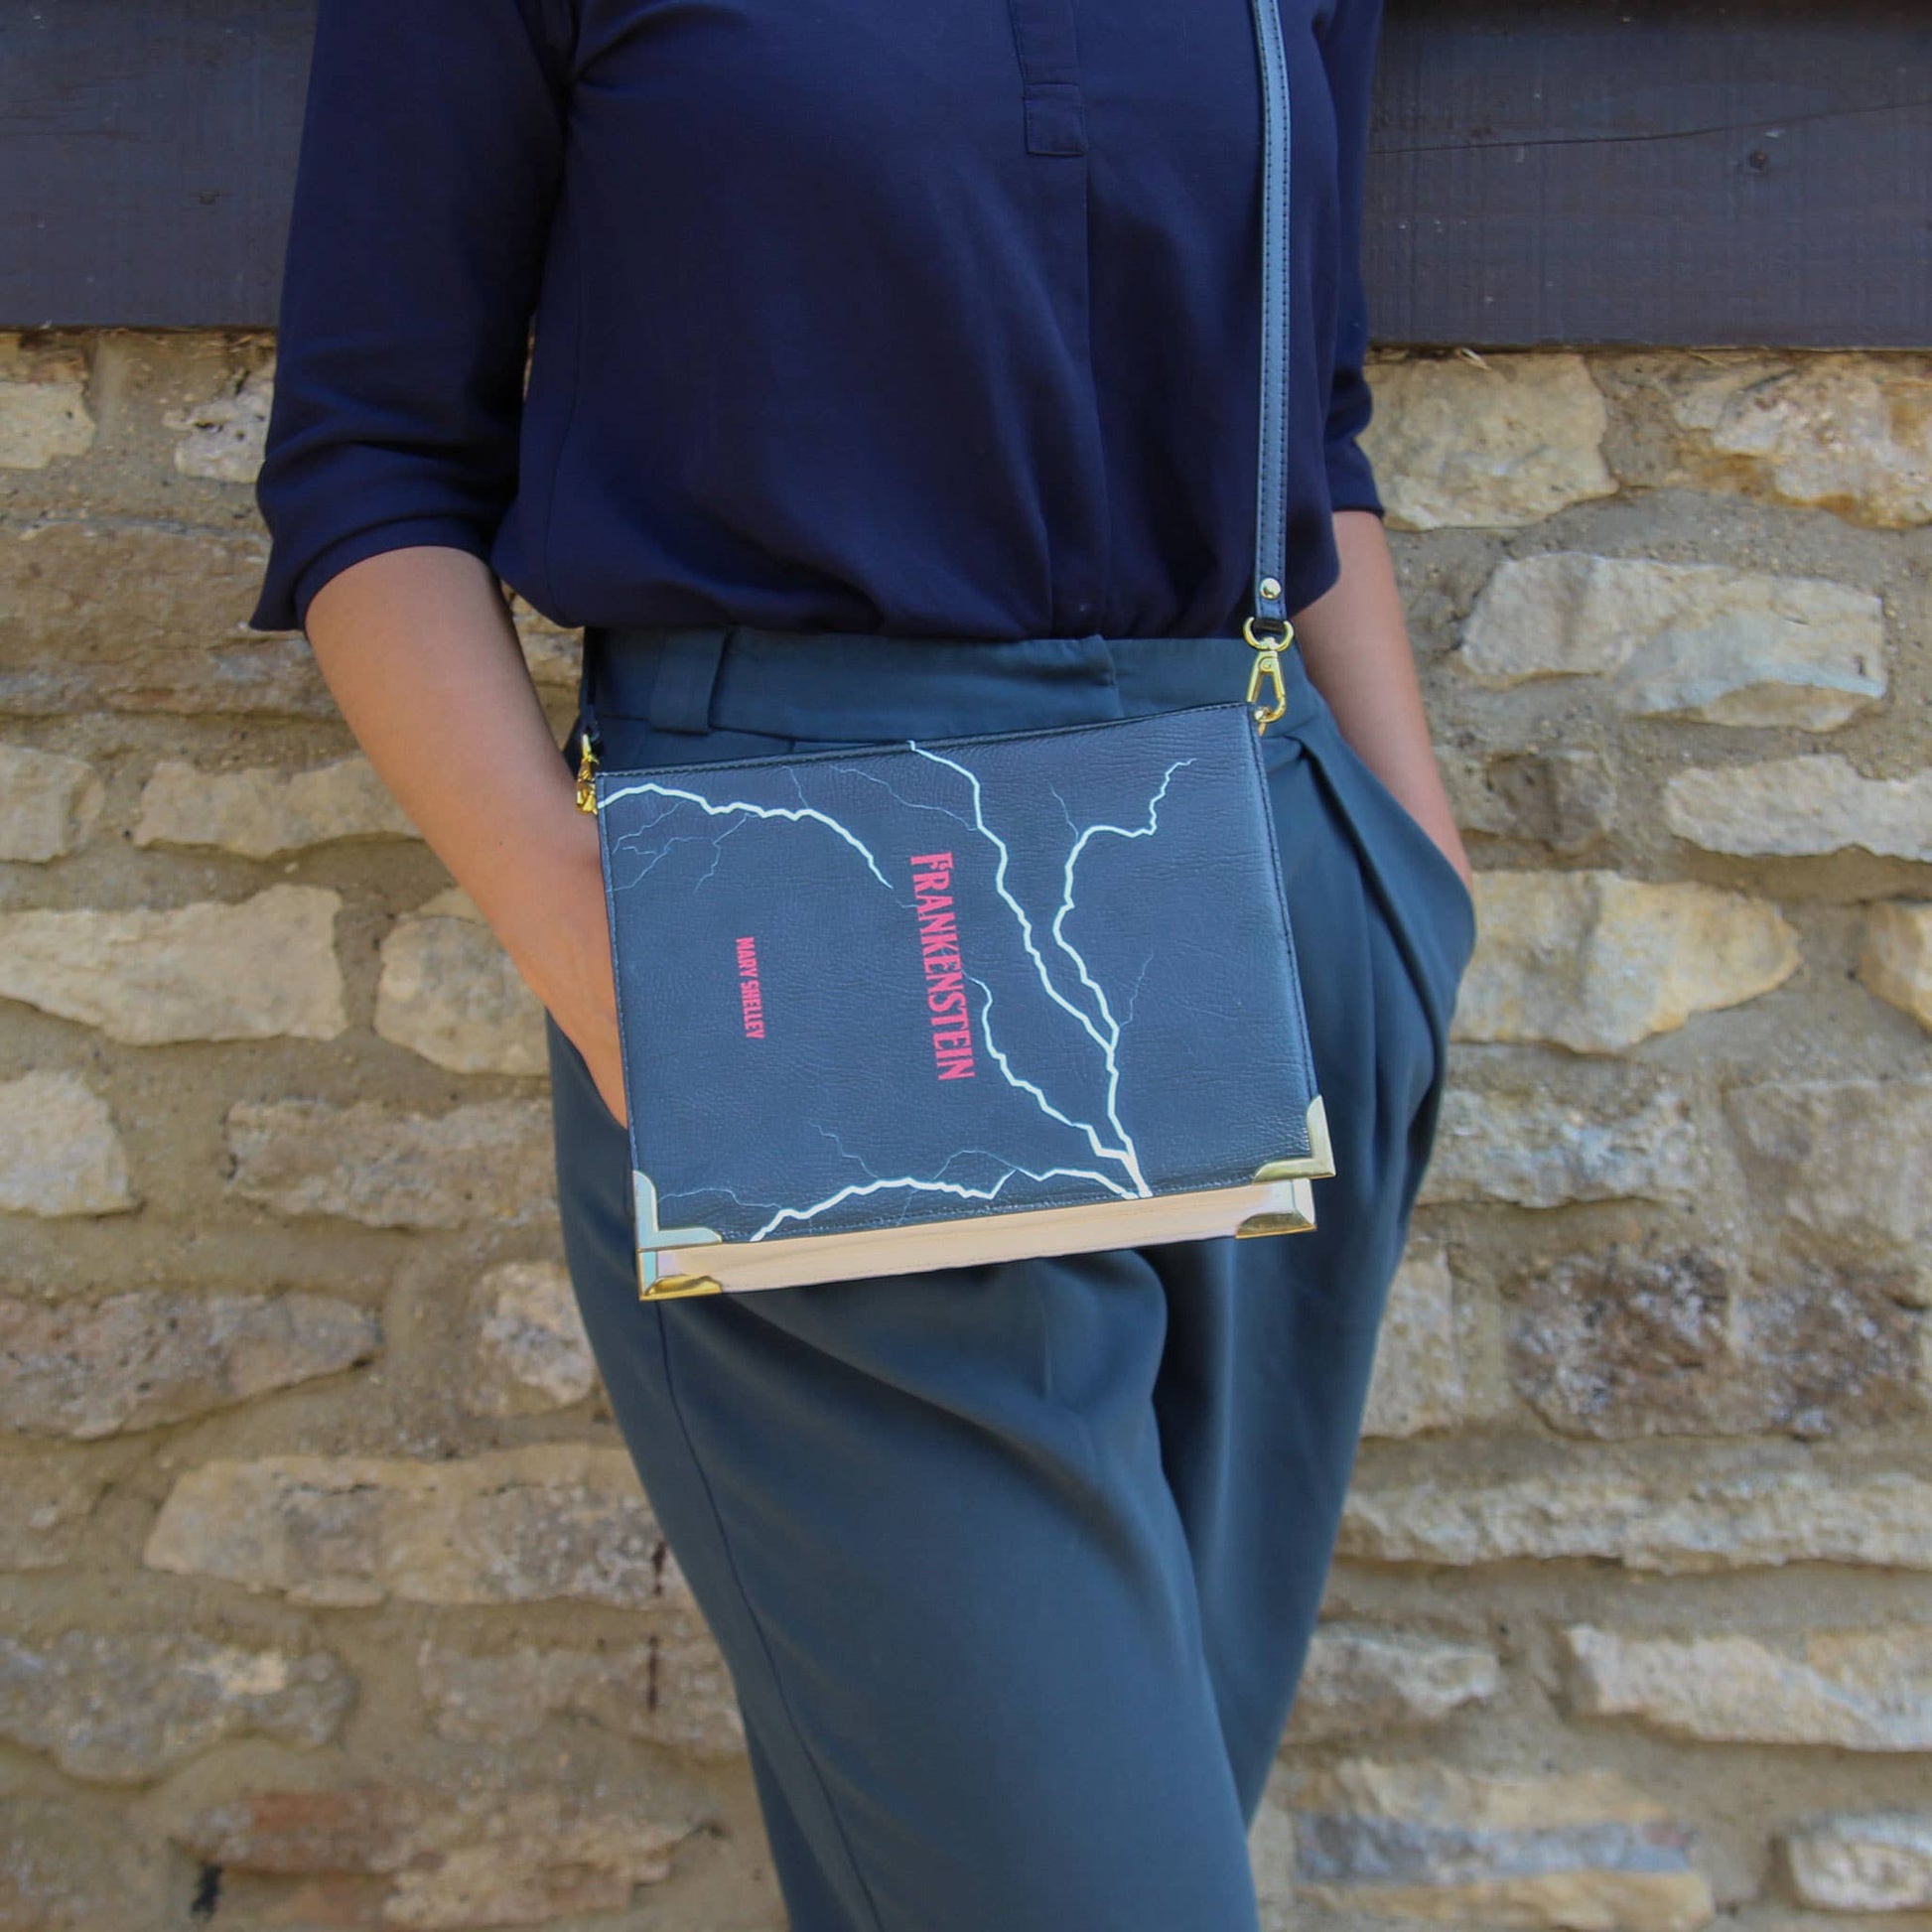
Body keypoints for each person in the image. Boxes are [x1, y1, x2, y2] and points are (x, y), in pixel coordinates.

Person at [246, 1, 1477, 1925]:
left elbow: (1306, 416)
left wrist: (1410, 876)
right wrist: (631, 973)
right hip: (817, 944)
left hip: (1249, 906)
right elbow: (371, 468)